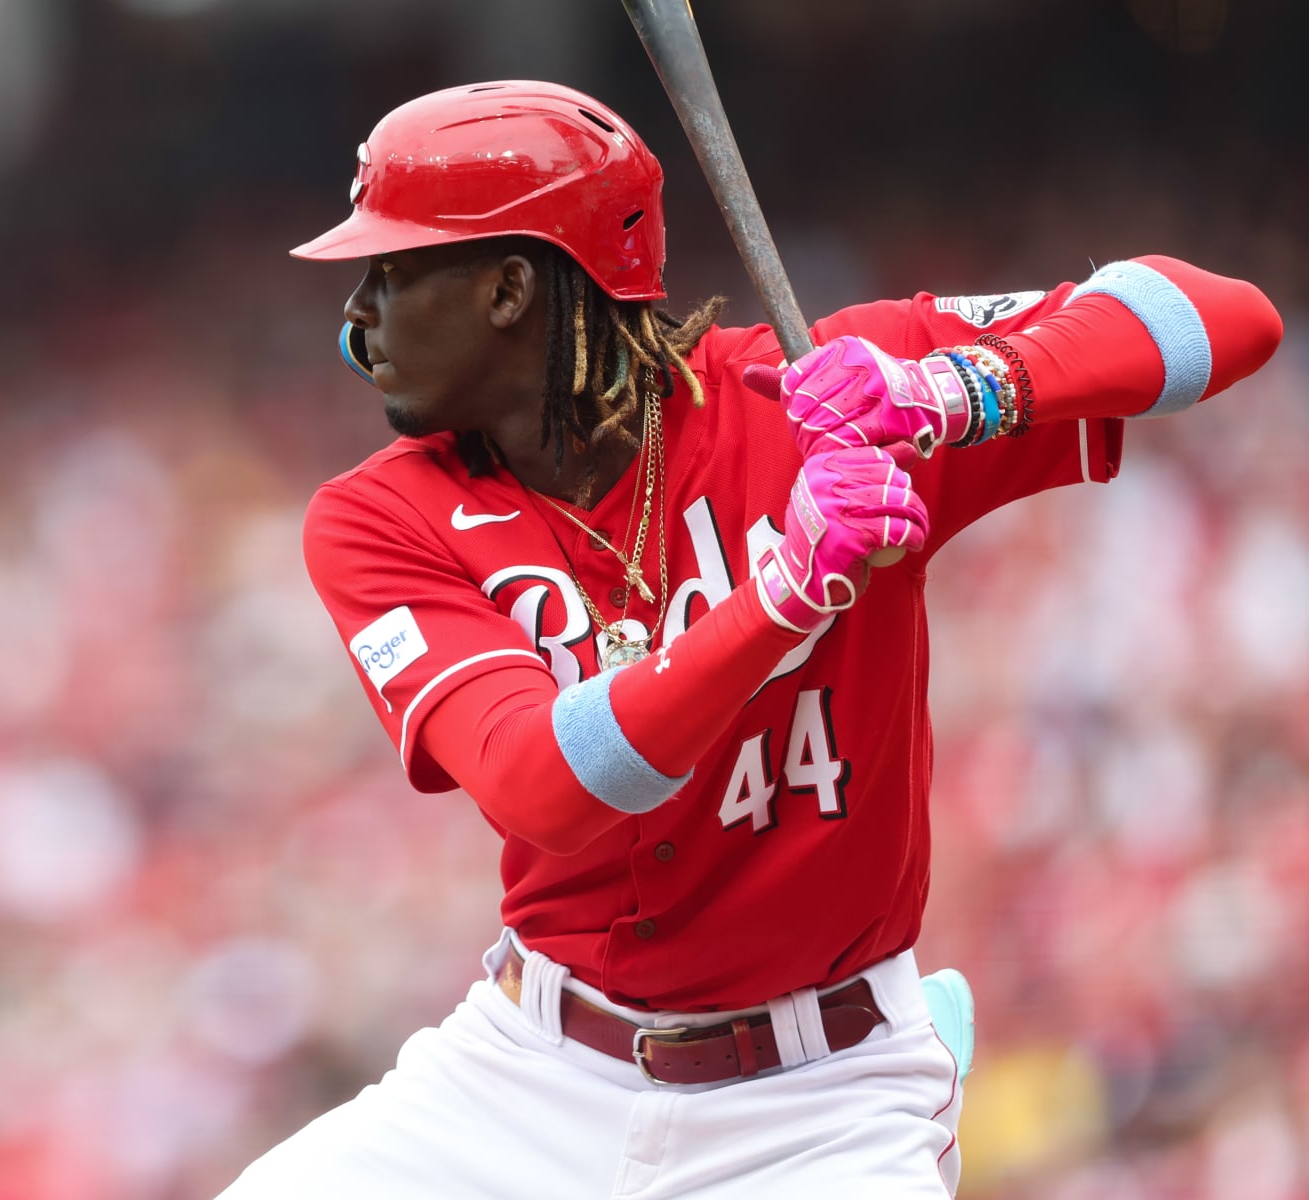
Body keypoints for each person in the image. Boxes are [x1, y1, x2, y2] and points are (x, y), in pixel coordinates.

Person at [222, 80, 1283, 1198]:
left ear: (507, 287)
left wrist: (946, 390)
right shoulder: (379, 514)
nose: (359, 320)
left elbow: (1219, 317)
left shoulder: (814, 395)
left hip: (820, 1101)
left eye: (391, 274)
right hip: (534, 1072)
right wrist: (784, 590)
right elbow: (549, 789)